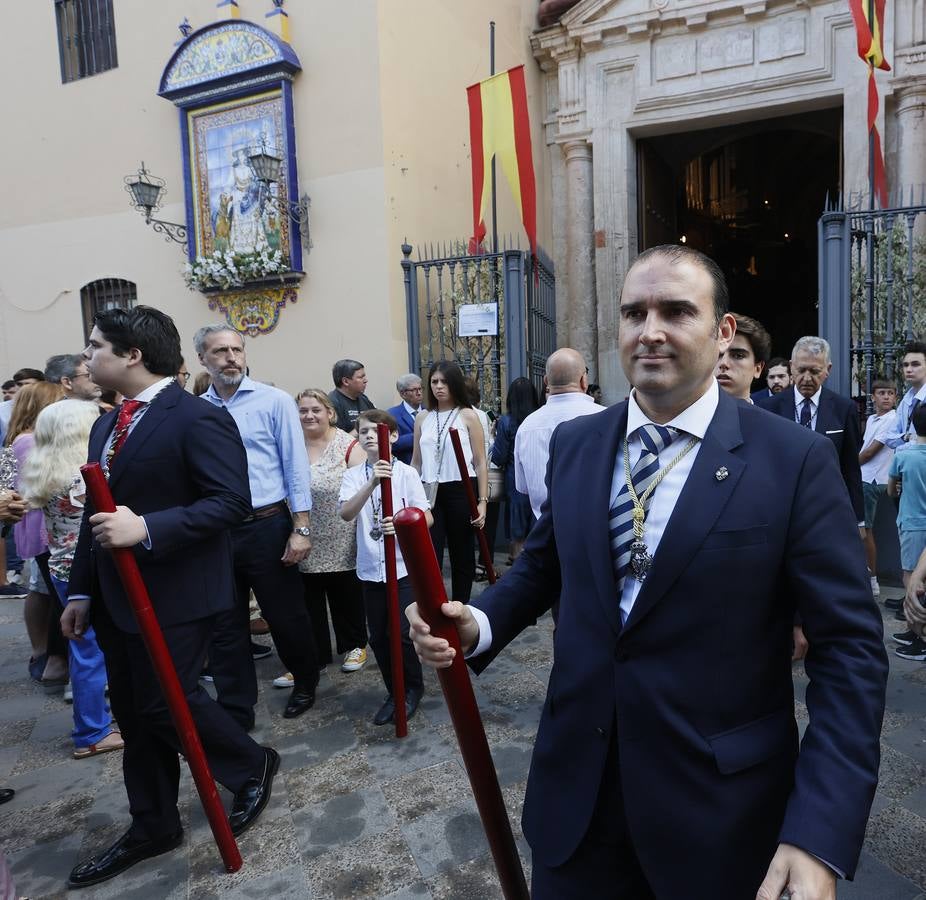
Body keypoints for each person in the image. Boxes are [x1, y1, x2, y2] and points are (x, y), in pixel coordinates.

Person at [408, 244, 887, 899]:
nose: (651, 329)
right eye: (635, 312)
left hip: (720, 814)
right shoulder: (578, 445)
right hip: (577, 802)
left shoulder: (793, 460)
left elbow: (850, 653)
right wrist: (479, 622)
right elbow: (546, 563)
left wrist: (817, 832)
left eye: (676, 311)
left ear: (723, 332)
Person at [63, 306, 277, 889]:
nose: (87, 358)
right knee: (134, 713)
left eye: (96, 347)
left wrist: (149, 528)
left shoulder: (195, 418)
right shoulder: (109, 422)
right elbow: (94, 512)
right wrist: (80, 588)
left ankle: (249, 762)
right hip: (115, 597)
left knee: (164, 703)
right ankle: (153, 823)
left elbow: (231, 502)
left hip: (179, 591)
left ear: (133, 355)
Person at [196, 324, 319, 722]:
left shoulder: (274, 401)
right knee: (224, 621)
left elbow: (295, 466)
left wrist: (300, 527)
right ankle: (236, 704)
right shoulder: (198, 409)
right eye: (220, 351)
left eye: (237, 349)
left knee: (285, 615)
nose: (231, 357)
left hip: (266, 524)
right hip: (216, 531)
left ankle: (305, 681)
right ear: (203, 359)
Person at [20, 400, 123, 759]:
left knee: (83, 648)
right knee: (91, 652)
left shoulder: (43, 467)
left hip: (60, 569)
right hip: (86, 572)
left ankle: (93, 725)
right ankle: (92, 731)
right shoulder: (83, 473)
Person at [340, 409, 431, 724]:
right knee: (378, 636)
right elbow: (347, 513)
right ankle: (394, 691)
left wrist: (405, 523)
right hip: (371, 569)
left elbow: (426, 516)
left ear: (392, 436)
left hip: (403, 568)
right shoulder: (353, 476)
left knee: (403, 632)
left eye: (375, 431)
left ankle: (412, 689)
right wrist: (373, 483)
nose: (368, 436)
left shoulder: (407, 474)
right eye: (362, 431)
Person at [272, 389, 367, 689]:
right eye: (303, 411)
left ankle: (355, 645)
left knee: (345, 593)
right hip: (302, 534)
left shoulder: (349, 446)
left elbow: (362, 491)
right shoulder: (290, 444)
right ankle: (314, 654)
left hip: (341, 533)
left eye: (316, 410)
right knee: (306, 598)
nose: (309, 415)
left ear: (330, 413)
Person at [757, 336, 865, 525]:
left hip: (828, 512)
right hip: (780, 510)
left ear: (827, 370)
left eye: (815, 371)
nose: (807, 378)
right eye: (801, 370)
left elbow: (851, 469)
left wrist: (858, 520)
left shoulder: (843, 409)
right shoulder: (768, 408)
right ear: (791, 367)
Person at [6, 382, 69, 686]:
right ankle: (53, 659)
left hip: (29, 528)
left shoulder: (14, 440)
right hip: (45, 528)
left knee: (41, 589)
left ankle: (41, 653)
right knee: (56, 595)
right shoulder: (33, 442)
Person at [412, 361, 488, 604]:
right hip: (428, 491)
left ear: (454, 383)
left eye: (444, 381)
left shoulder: (468, 415)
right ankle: (436, 604)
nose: (438, 386)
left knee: (462, 552)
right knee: (430, 552)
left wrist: (482, 501)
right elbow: (416, 461)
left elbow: (480, 461)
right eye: (434, 381)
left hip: (460, 488)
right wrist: (410, 495)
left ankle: (461, 605)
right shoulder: (423, 417)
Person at [514, 348, 604, 520]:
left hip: (544, 527)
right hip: (595, 526)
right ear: (583, 381)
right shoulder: (606, 418)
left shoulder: (527, 426)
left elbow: (523, 487)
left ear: (546, 381)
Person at [888, 405, 926, 662]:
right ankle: (915, 633)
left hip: (912, 523)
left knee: (912, 581)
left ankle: (921, 637)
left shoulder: (903, 455)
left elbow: (891, 490)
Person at [491, 378, 540, 562]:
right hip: (540, 477)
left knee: (516, 524)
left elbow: (498, 457)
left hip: (515, 480)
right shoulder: (540, 417)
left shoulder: (506, 422)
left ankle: (517, 561)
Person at [859, 379, 898, 600]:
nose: (886, 397)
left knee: (864, 531)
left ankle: (872, 581)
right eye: (881, 393)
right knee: (861, 529)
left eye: (890, 393)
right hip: (865, 478)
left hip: (872, 480)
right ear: (873, 397)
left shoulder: (892, 420)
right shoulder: (874, 419)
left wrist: (847, 468)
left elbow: (868, 453)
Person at [714, 312, 771, 402]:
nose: (723, 363)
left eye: (738, 356)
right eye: (717, 354)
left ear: (758, 368)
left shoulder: (768, 416)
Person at [882, 341, 926, 449]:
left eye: (915, 364)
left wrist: (903, 444)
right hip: (906, 464)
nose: (909, 369)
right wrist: (909, 437)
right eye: (906, 365)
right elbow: (889, 438)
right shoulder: (907, 399)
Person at [329, 359, 374, 433]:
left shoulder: (363, 398)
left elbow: (377, 420)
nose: (365, 380)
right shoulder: (332, 403)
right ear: (345, 381)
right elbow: (338, 440)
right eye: (360, 377)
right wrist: (364, 428)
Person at [388, 374, 424, 464]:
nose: (419, 393)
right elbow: (392, 443)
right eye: (414, 390)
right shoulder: (391, 415)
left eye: (420, 389)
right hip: (407, 466)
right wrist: (419, 435)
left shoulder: (430, 412)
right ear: (403, 394)